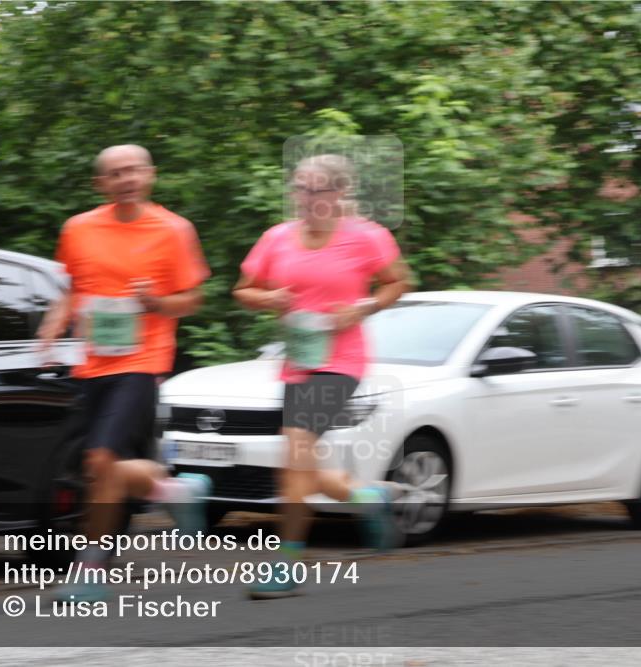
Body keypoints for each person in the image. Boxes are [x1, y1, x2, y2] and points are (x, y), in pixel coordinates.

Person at [37, 144, 212, 602]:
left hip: (143, 359)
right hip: (91, 362)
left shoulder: (174, 230)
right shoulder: (78, 229)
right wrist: (51, 330)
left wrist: (156, 303)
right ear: (102, 184)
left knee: (100, 459)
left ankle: (90, 572)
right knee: (93, 469)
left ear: (150, 174)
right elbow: (71, 290)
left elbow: (193, 300)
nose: (126, 179)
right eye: (115, 174)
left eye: (134, 170)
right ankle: (172, 487)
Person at [233, 154, 411, 599]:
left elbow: (397, 283)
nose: (307, 199)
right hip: (298, 362)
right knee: (302, 464)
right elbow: (242, 290)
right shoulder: (276, 238)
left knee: (295, 454)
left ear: (339, 194)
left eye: (318, 190)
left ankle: (287, 564)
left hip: (342, 362)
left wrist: (363, 307)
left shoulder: (367, 238)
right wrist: (268, 298)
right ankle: (369, 499)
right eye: (300, 188)